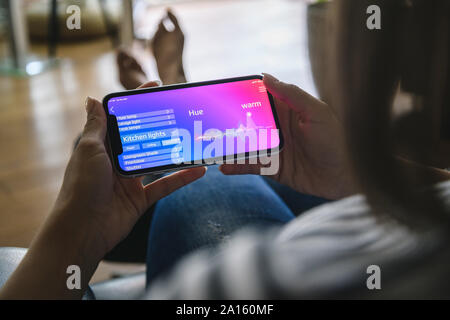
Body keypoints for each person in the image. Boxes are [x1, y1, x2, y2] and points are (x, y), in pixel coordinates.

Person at [1, 0, 450, 299]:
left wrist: (73, 237)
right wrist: (356, 172)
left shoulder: (244, 285)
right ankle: (171, 96)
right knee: (232, 160)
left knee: (210, 176)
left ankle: (169, 96)